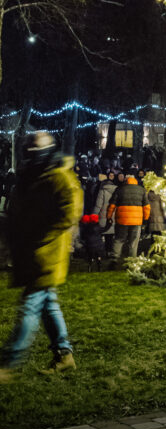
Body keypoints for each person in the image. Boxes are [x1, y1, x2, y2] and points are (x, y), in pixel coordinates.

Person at [0, 132, 82, 381]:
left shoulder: (58, 177)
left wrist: (42, 238)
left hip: (46, 255)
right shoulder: (31, 178)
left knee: (30, 307)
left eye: (34, 151)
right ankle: (64, 354)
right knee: (48, 305)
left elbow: (69, 212)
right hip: (34, 252)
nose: (30, 155)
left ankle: (8, 363)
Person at [106, 173, 150, 261]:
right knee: (133, 241)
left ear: (126, 180)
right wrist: (145, 219)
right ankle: (132, 260)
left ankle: (114, 259)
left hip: (122, 220)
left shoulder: (120, 189)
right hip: (136, 221)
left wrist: (109, 217)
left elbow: (112, 205)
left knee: (119, 239)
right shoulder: (142, 190)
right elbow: (147, 207)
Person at [94, 170, 117, 256]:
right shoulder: (116, 190)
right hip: (113, 216)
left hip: (103, 216)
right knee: (110, 236)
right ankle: (109, 251)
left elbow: (98, 205)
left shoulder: (102, 190)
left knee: (101, 234)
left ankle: (100, 251)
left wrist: (94, 215)